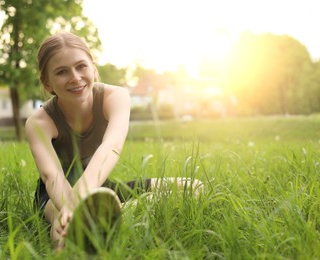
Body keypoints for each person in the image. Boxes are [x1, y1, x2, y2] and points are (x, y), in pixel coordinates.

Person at [25, 31, 203, 252]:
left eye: (81, 66)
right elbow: (51, 177)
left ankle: (119, 211)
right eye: (61, 72)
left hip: (101, 187)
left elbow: (111, 147)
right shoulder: (39, 122)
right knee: (61, 225)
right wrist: (72, 209)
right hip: (58, 195)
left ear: (93, 68)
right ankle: (96, 225)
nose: (75, 77)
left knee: (193, 188)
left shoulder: (115, 97)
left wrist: (91, 202)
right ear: (47, 82)